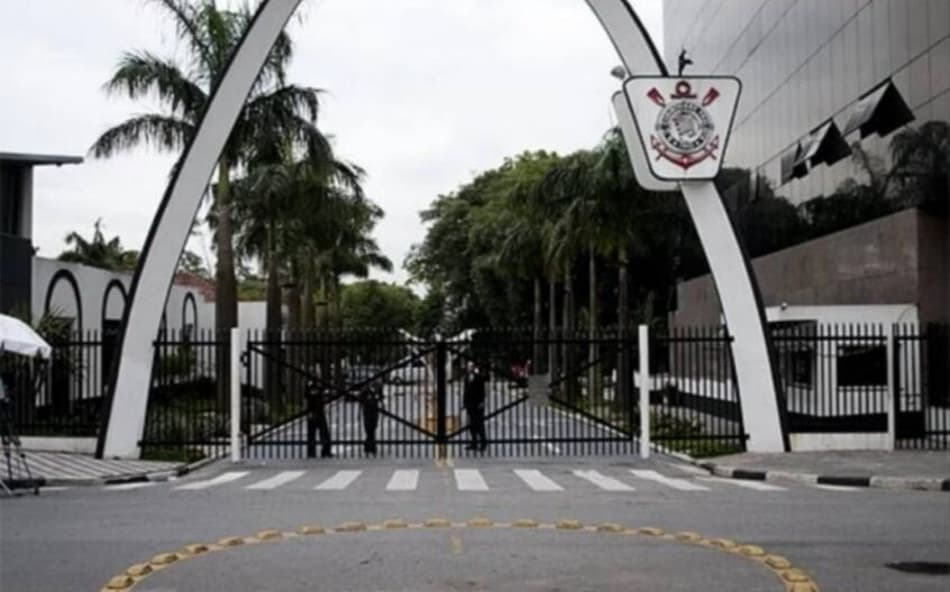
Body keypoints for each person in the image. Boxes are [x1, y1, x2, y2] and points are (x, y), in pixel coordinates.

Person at [462, 361, 488, 451]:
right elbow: (465, 392)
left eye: (470, 366)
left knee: (479, 425)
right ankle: (474, 443)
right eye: (468, 366)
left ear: (473, 367)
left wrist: (482, 402)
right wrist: (464, 403)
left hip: (478, 404)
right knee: (471, 425)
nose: (469, 368)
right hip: (470, 404)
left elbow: (482, 390)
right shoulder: (466, 377)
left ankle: (483, 443)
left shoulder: (479, 377)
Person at [306, 379, 333, 458]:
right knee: (312, 433)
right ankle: (311, 452)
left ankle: (326, 450)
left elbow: (322, 397)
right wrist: (308, 412)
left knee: (324, 432)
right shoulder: (310, 385)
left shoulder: (319, 385)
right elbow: (307, 398)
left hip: (320, 411)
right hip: (312, 411)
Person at [360, 378, 383, 456]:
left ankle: (368, 446)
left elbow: (381, 397)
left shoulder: (378, 389)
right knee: (368, 429)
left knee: (373, 428)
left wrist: (378, 398)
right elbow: (361, 399)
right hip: (367, 411)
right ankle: (371, 447)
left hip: (374, 411)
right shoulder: (365, 390)